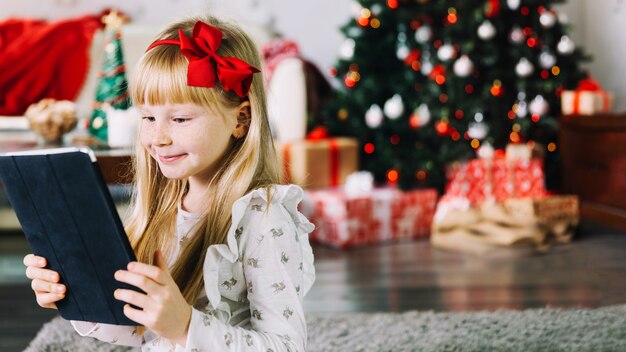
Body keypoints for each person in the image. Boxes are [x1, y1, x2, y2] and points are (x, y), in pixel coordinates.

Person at [23, 14, 315, 351]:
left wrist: (185, 326)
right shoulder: (163, 210)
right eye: (148, 117)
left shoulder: (262, 217)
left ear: (241, 118)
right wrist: (76, 292)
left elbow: (286, 346)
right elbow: (141, 330)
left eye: (179, 118)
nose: (157, 137)